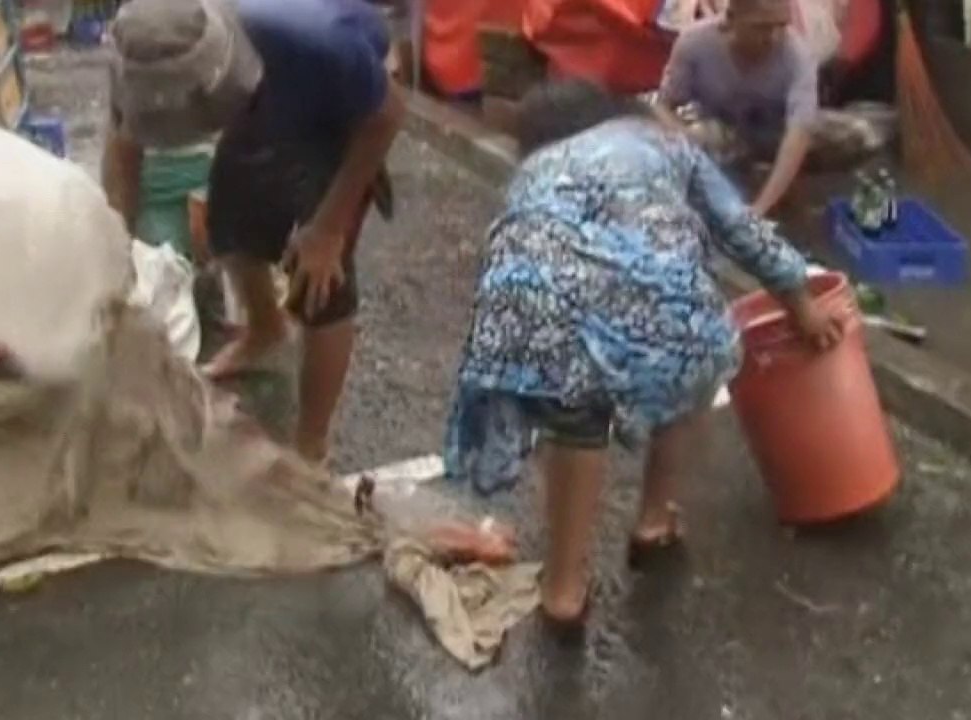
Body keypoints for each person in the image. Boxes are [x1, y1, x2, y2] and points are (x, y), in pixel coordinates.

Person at [444, 80, 843, 626]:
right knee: (693, 349)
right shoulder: (660, 141)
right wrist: (801, 303)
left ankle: (562, 591)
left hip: (520, 298)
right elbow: (740, 228)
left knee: (574, 408)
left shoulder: (537, 166)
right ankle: (654, 520)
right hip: (640, 298)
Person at [102, 0, 405, 463]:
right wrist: (116, 244)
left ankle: (312, 442)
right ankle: (265, 331)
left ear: (216, 77)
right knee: (229, 220)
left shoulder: (312, 40)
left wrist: (327, 228)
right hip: (265, 97)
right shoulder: (137, 50)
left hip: (344, 108)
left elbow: (387, 114)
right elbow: (124, 147)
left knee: (320, 281)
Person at [657, 0, 818, 216]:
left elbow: (798, 134)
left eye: (782, 26)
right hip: (719, 129)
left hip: (772, 131)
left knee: (856, 135)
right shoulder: (694, 42)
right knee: (686, 138)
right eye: (763, 27)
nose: (774, 37)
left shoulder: (798, 57)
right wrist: (685, 142)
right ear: (732, 19)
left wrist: (760, 209)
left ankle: (771, 176)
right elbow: (663, 105)